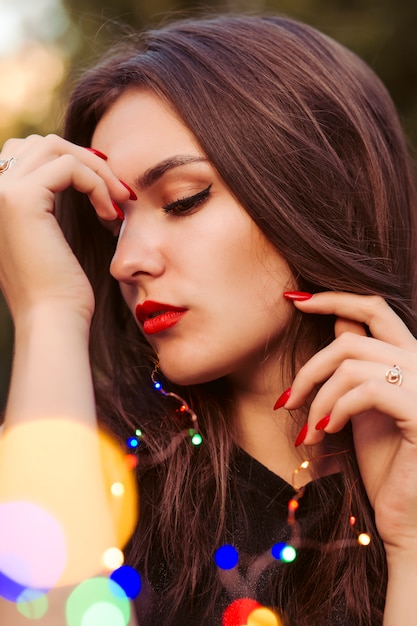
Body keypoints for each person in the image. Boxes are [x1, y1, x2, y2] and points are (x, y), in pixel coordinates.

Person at [1, 13, 417, 626]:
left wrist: (409, 542)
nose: (126, 262)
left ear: (317, 190)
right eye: (115, 225)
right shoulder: (81, 473)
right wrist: (49, 313)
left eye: (182, 200)